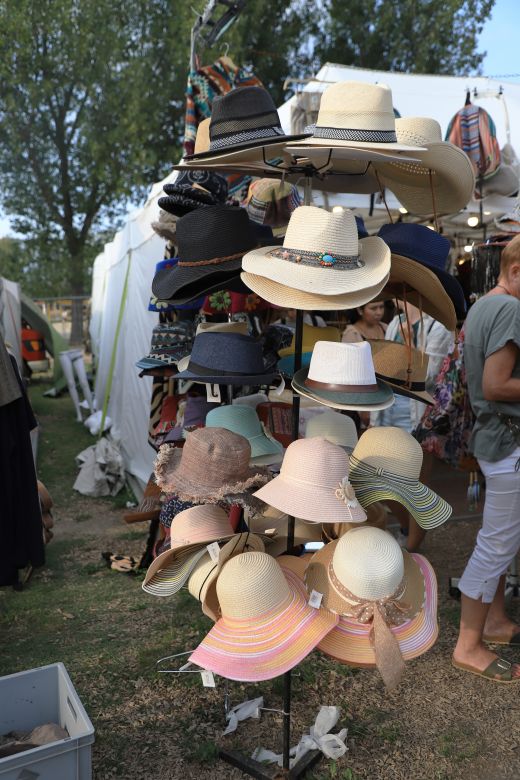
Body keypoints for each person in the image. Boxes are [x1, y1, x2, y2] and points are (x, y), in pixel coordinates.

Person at [453, 234, 520, 683]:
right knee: (496, 544)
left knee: (501, 540)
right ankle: (468, 645)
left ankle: (493, 623)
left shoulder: (483, 305)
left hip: (497, 440)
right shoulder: (511, 309)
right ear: (515, 271)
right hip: (508, 442)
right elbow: (496, 385)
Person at [371, 300, 453, 552]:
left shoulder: (436, 327)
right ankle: (408, 529)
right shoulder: (394, 323)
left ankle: (412, 549)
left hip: (418, 414)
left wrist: (408, 345)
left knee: (416, 484)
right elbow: (384, 368)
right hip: (388, 410)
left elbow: (429, 375)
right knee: (381, 479)